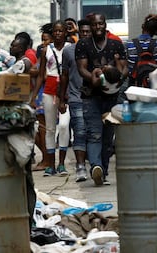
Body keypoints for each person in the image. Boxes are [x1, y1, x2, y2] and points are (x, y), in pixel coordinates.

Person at [76, 13, 128, 186]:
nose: (98, 27)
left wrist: (117, 77)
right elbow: (81, 68)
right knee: (94, 134)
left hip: (112, 97)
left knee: (108, 137)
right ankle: (95, 167)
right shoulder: (83, 44)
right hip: (91, 96)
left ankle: (103, 172)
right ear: (90, 26)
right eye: (95, 24)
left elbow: (124, 67)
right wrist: (93, 77)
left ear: (105, 25)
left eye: (101, 24)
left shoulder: (116, 44)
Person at [30, 20, 71, 177]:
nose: (58, 33)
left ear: (65, 32)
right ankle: (50, 165)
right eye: (56, 31)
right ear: (53, 33)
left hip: (65, 91)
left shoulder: (70, 49)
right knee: (49, 128)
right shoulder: (45, 50)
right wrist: (33, 96)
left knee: (64, 126)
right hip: (49, 89)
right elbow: (41, 75)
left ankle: (61, 164)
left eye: (61, 31)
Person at [58, 18, 92, 182]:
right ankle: (80, 167)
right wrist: (61, 99)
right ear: (79, 32)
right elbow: (64, 76)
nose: (85, 34)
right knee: (79, 131)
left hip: (94, 99)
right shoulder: (68, 51)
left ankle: (96, 165)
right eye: (83, 31)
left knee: (93, 134)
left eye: (88, 32)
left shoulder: (97, 49)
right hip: (75, 97)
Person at [31, 23, 53, 171]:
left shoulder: (49, 51)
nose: (43, 43)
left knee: (44, 128)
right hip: (43, 92)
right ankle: (47, 158)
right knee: (42, 128)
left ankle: (47, 160)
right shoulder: (44, 51)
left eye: (45, 39)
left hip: (46, 92)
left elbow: (41, 73)